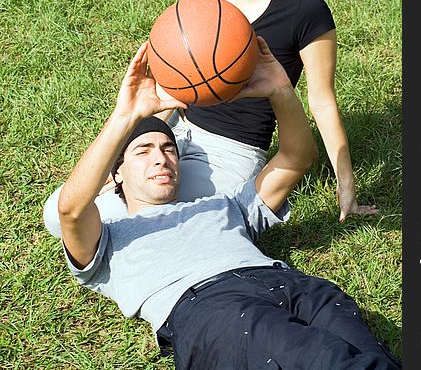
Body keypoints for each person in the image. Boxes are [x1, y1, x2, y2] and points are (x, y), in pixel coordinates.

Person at [43, 0, 376, 237]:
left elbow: (322, 102)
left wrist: (346, 184)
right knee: (56, 213)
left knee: (170, 227)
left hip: (232, 150)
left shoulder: (304, 9)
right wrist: (129, 152)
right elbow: (174, 84)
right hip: (173, 132)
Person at [58, 39, 401, 369]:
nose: (160, 159)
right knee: (329, 359)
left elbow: (297, 159)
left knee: (372, 358)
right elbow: (70, 210)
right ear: (115, 173)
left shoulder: (222, 205)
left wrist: (281, 90)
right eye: (143, 151)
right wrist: (124, 117)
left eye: (168, 149)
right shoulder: (110, 239)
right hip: (212, 306)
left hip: (297, 287)